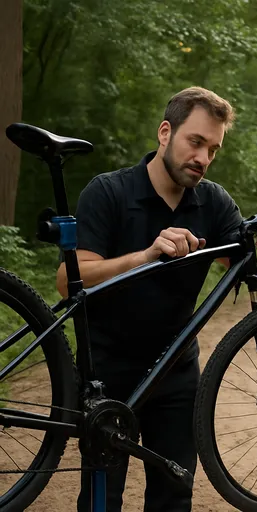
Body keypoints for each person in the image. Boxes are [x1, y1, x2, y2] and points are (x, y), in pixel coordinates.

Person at [55, 86, 244, 511]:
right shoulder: (109, 192)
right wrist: (145, 256)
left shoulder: (213, 202)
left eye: (213, 149)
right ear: (165, 133)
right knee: (103, 498)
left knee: (174, 494)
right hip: (109, 372)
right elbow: (68, 280)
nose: (203, 158)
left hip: (176, 371)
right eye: (195, 142)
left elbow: (241, 259)